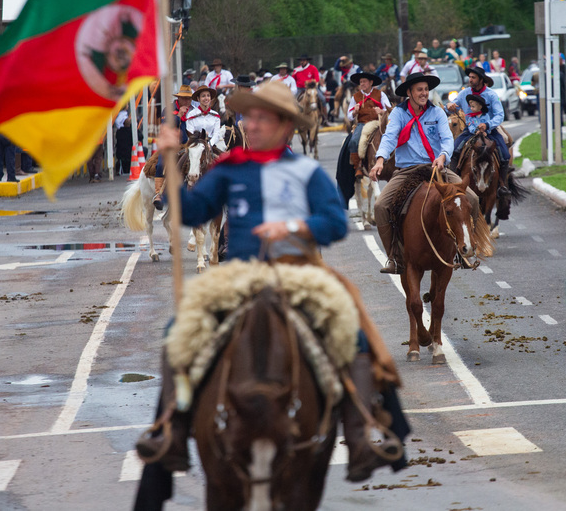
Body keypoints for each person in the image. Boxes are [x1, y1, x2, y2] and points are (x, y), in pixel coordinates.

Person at [135, 81, 405, 506]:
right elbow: (192, 211)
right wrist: (170, 164)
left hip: (297, 273)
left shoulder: (304, 171)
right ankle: (170, 430)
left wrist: (294, 227)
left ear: (283, 125)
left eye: (262, 118)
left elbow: (335, 222)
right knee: (177, 331)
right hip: (239, 275)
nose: (252, 124)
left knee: (350, 325)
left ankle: (361, 435)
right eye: (249, 117)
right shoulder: (230, 168)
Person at [369, 72, 481, 274]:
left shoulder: (437, 113)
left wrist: (443, 156)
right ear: (409, 92)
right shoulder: (398, 114)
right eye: (419, 89)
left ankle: (466, 248)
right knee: (380, 206)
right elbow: (389, 138)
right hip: (407, 170)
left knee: (472, 198)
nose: (424, 93)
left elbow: (447, 139)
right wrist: (379, 160)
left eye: (426, 89)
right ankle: (394, 257)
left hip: (436, 166)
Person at [447, 67, 510, 172]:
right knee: (454, 151)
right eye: (469, 77)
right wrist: (449, 106)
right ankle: (455, 178)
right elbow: (451, 107)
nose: (470, 80)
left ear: (481, 79)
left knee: (505, 155)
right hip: (470, 130)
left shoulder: (492, 95)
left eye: (473, 77)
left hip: (490, 130)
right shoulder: (464, 93)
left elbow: (499, 115)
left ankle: (503, 181)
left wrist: (487, 125)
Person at [152, 85, 194, 209]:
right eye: (184, 98)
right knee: (161, 164)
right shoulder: (168, 109)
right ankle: (159, 194)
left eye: (189, 99)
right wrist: (178, 116)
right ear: (178, 99)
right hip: (171, 145)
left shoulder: (193, 111)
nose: (187, 101)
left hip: (188, 145)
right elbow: (165, 124)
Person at [346, 71, 391, 177]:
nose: (362, 84)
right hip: (362, 123)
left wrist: (381, 111)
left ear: (371, 82)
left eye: (364, 81)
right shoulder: (355, 97)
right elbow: (349, 116)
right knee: (353, 141)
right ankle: (358, 166)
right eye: (361, 82)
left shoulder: (380, 94)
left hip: (378, 122)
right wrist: (354, 112)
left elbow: (389, 110)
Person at [182, 86, 226, 152]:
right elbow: (190, 133)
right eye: (203, 96)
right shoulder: (191, 114)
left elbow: (216, 134)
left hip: (211, 145)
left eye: (208, 96)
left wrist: (210, 144)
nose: (206, 98)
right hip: (196, 145)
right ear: (198, 98)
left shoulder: (215, 115)